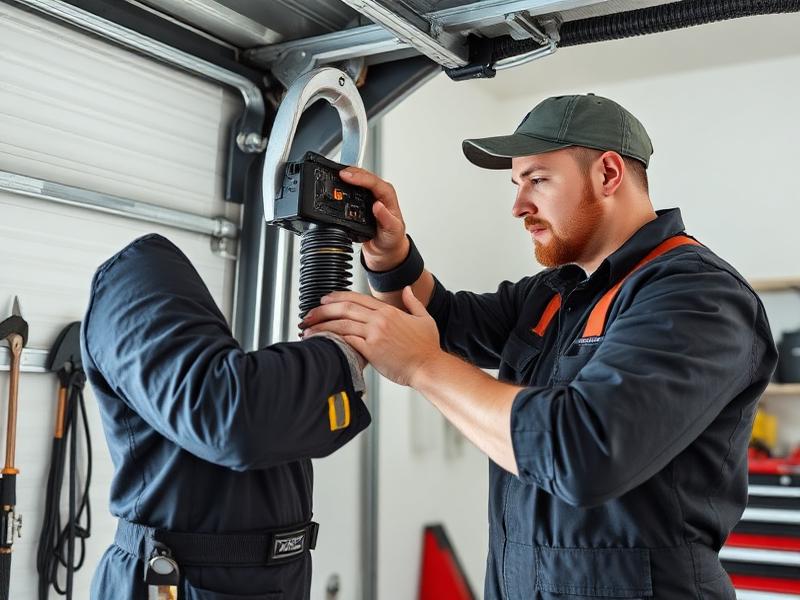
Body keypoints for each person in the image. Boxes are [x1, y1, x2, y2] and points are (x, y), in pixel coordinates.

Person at [302, 93, 777, 599]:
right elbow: (440, 319)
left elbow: (583, 452)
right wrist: (388, 249)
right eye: (516, 183)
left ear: (608, 174)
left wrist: (421, 366)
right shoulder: (558, 291)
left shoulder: (697, 295)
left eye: (538, 180)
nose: (518, 206)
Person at [81, 234, 370, 599]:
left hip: (275, 579)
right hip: (178, 583)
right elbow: (234, 419)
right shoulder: (134, 279)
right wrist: (338, 355)